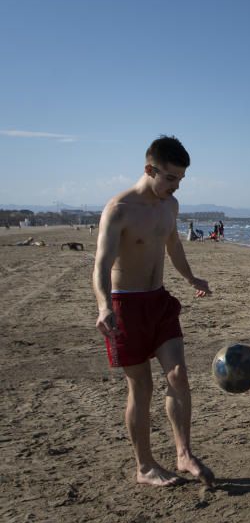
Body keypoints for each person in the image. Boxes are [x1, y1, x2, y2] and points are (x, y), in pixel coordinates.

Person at [92, 135, 215, 486]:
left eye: (180, 180)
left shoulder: (169, 206)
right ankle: (144, 466)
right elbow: (101, 264)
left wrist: (192, 278)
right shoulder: (120, 209)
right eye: (171, 178)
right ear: (150, 169)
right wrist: (103, 307)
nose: (176, 187)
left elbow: (173, 244)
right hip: (125, 305)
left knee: (178, 375)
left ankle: (183, 454)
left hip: (159, 301)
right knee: (141, 387)